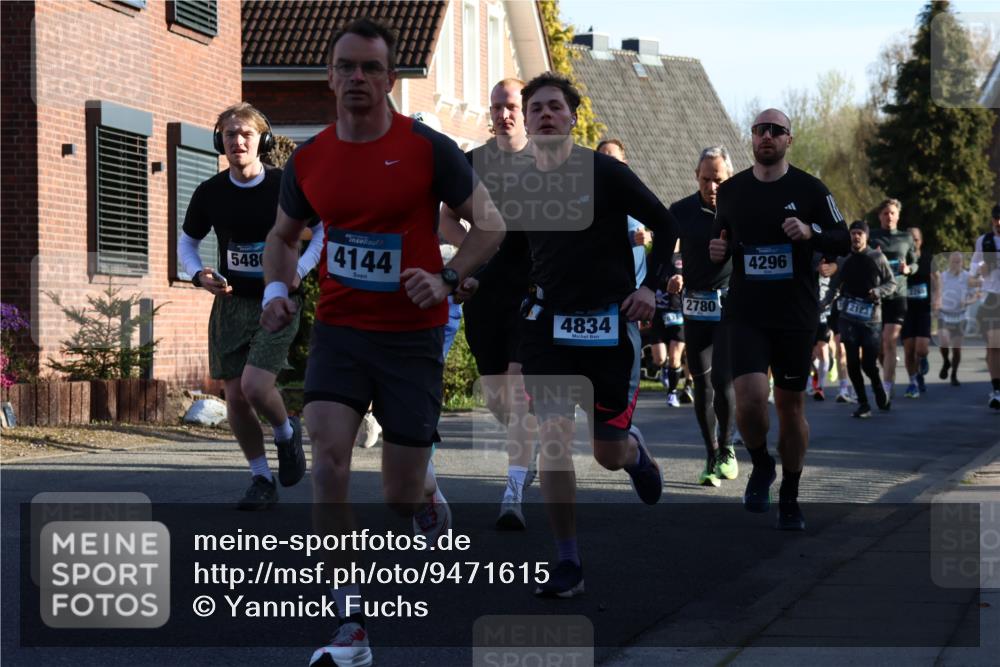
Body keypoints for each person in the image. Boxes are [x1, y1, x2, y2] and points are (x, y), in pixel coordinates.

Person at [258, 19, 505, 667]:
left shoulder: (428, 149)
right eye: (347, 67)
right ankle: (349, 623)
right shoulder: (309, 159)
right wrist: (276, 293)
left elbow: (492, 225)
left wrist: (449, 277)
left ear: (391, 80)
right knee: (330, 463)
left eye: (371, 68)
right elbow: (284, 237)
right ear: (330, 76)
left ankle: (422, 493)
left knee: (396, 492)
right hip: (340, 332)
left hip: (410, 337)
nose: (358, 79)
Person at [511, 72, 679, 598]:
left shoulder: (604, 172)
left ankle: (634, 452)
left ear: (572, 117)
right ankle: (568, 562)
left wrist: (651, 289)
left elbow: (666, 223)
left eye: (554, 107)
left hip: (610, 325)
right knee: (553, 443)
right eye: (535, 107)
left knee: (606, 453)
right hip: (549, 328)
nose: (544, 114)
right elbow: (511, 250)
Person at [709, 108, 849, 531]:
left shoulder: (810, 189)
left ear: (789, 139)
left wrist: (811, 234)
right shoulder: (731, 191)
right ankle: (760, 464)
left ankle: (790, 494)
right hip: (746, 311)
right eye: (759, 130)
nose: (766, 136)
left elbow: (843, 239)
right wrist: (720, 253)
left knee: (790, 406)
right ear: (751, 139)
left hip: (794, 313)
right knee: (750, 398)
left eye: (775, 130)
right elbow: (724, 241)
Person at [179, 102, 320, 510]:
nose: (237, 141)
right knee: (236, 398)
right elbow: (187, 241)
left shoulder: (283, 186)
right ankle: (260, 477)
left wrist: (301, 271)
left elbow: (323, 229)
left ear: (263, 139)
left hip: (277, 301)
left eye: (246, 134)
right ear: (219, 141)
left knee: (256, 386)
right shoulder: (210, 192)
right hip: (230, 304)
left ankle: (286, 431)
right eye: (229, 134)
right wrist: (196, 274)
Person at [439, 78, 538, 530]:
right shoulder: (473, 162)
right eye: (496, 107)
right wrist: (476, 250)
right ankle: (525, 452)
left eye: (511, 106)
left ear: (525, 110)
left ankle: (513, 489)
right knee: (498, 398)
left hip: (533, 291)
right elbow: (444, 215)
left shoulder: (547, 163)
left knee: (518, 391)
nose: (504, 114)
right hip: (484, 290)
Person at [666, 145, 738, 487]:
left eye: (719, 180)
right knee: (702, 384)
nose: (712, 187)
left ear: (729, 179)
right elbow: (664, 256)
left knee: (724, 380)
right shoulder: (680, 211)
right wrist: (672, 275)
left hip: (729, 307)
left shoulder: (739, 212)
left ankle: (727, 448)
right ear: (696, 177)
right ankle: (711, 454)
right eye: (706, 179)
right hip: (694, 307)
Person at [825, 221, 895, 418]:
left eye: (859, 234)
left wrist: (878, 291)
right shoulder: (843, 259)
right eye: (853, 233)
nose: (856, 237)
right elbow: (834, 287)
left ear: (866, 237)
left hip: (871, 318)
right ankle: (863, 403)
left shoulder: (877, 257)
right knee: (853, 362)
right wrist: (823, 303)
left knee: (869, 364)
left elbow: (892, 283)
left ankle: (879, 389)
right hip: (848, 316)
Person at [868, 198, 917, 398]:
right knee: (879, 346)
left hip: (898, 294)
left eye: (892, 213)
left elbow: (916, 263)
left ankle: (887, 387)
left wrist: (908, 269)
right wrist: (872, 256)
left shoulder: (906, 238)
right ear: (880, 216)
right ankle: (888, 372)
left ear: (898, 216)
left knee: (889, 340)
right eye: (885, 213)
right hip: (878, 296)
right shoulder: (873, 237)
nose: (889, 216)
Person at [971, 204, 1000, 409]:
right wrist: (982, 269)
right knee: (993, 344)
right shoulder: (984, 241)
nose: (999, 223)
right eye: (997, 219)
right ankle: (996, 390)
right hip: (992, 297)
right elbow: (973, 270)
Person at [901, 227, 934, 397]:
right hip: (906, 309)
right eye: (910, 239)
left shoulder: (928, 258)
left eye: (916, 239)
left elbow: (937, 279)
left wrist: (939, 298)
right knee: (908, 349)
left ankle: (923, 359)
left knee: (920, 348)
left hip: (924, 308)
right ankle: (913, 381)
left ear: (921, 241)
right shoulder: (903, 258)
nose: (913, 242)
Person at [935, 251, 975, 386]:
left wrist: (968, 301)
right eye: (953, 261)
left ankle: (954, 374)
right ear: (949, 262)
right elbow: (937, 293)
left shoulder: (968, 277)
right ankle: (946, 361)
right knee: (944, 343)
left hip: (961, 315)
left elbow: (975, 295)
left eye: (959, 261)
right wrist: (936, 306)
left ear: (963, 263)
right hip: (944, 314)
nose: (956, 264)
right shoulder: (943, 276)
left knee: (957, 349)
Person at [810, 256, 838, 401]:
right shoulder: (810, 273)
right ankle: (815, 376)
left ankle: (819, 386)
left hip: (825, 316)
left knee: (823, 349)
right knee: (811, 355)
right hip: (809, 316)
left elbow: (838, 290)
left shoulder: (833, 274)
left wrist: (829, 302)